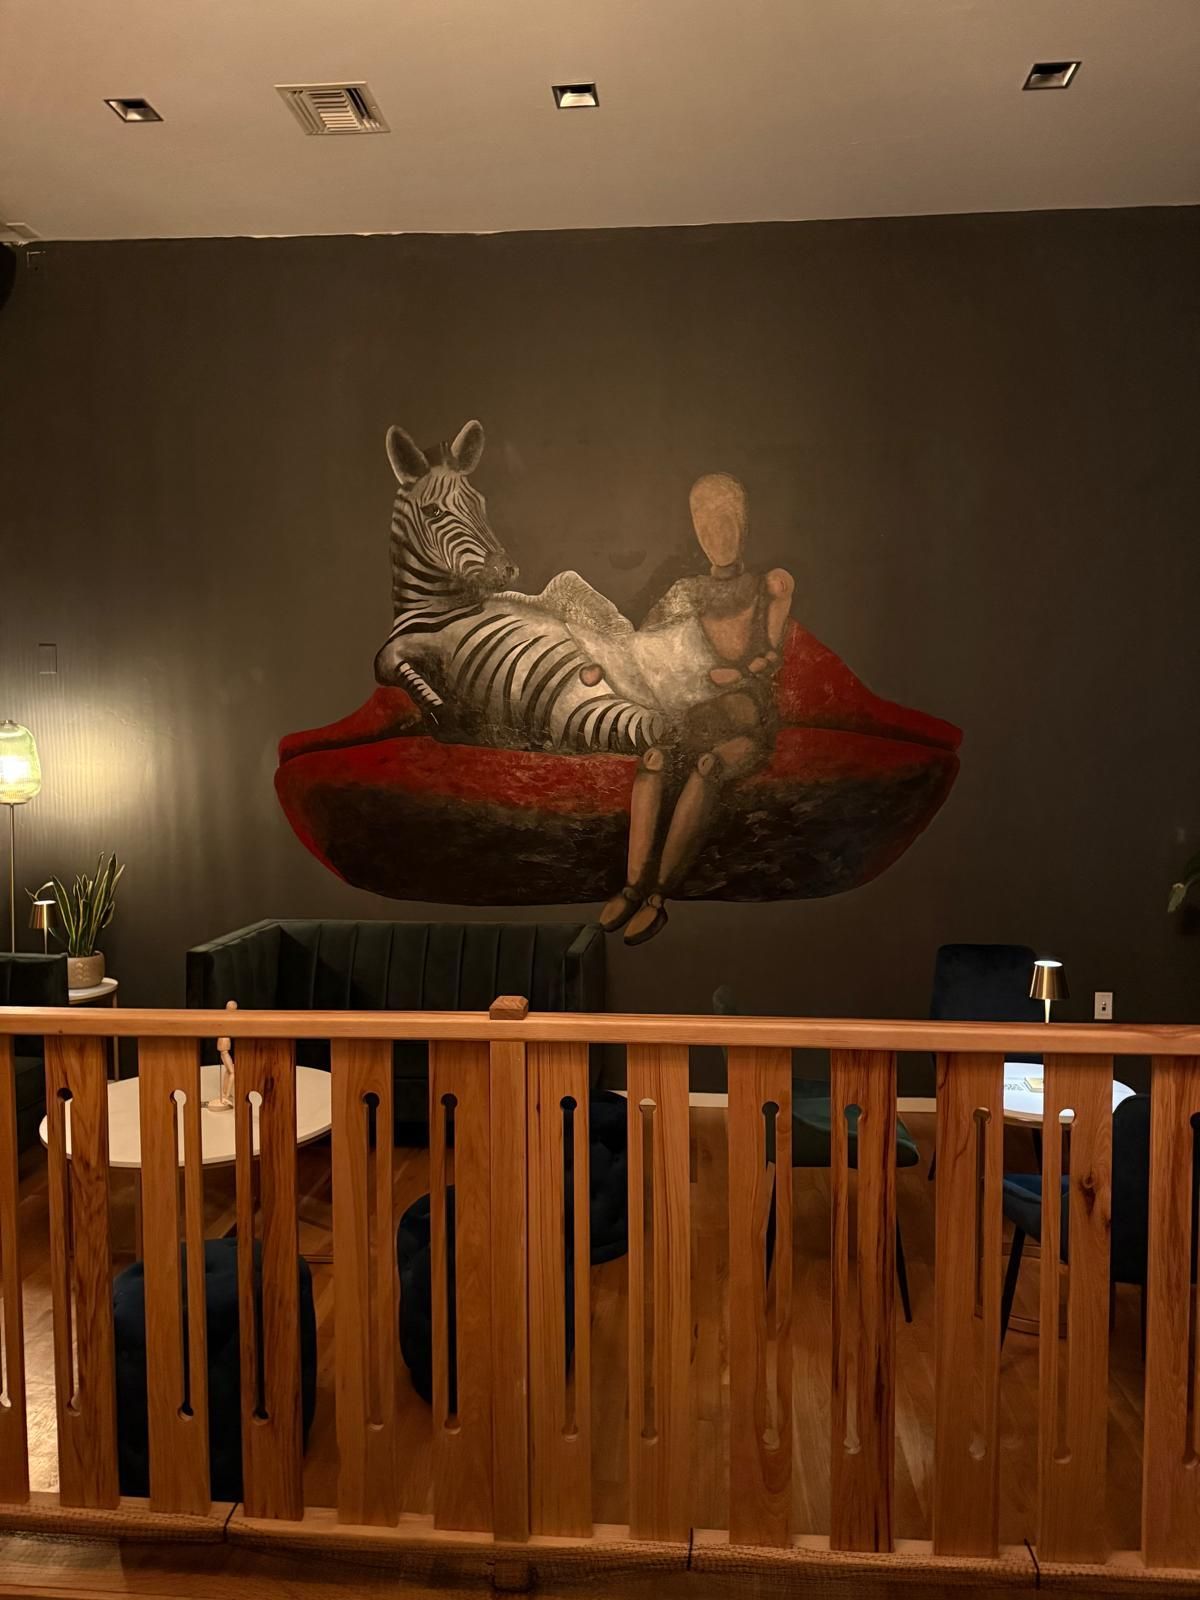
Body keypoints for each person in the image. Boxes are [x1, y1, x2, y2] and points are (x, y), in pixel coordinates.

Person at [599, 472, 794, 945]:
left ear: (743, 523)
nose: (715, 534)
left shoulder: (769, 584)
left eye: (725, 520)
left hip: (745, 718)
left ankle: (658, 897)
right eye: (703, 522)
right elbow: (638, 642)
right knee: (654, 759)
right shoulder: (685, 589)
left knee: (707, 766)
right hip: (694, 715)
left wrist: (742, 674)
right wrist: (604, 665)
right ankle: (631, 887)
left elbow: (771, 657)